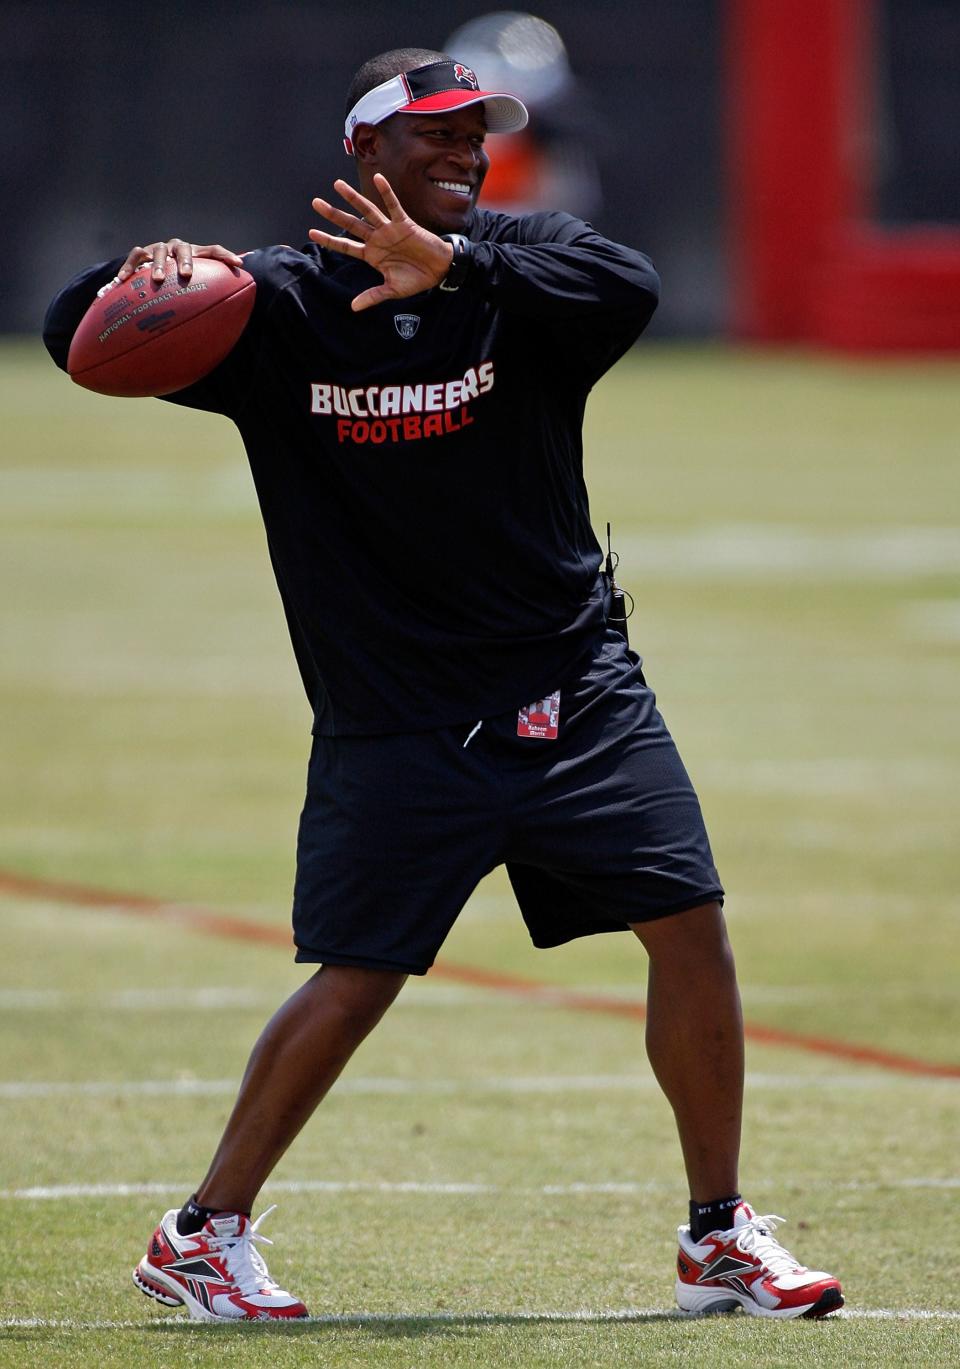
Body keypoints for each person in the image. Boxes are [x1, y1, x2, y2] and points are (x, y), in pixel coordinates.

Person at [43, 47, 843, 1324]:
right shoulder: (277, 306)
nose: (467, 152)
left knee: (689, 925)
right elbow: (77, 338)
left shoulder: (519, 274)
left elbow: (625, 283)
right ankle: (202, 1233)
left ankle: (718, 1238)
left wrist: (458, 261)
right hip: (400, 713)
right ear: (366, 151)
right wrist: (133, 271)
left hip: (575, 687)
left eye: (477, 133)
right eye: (437, 136)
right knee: (355, 975)